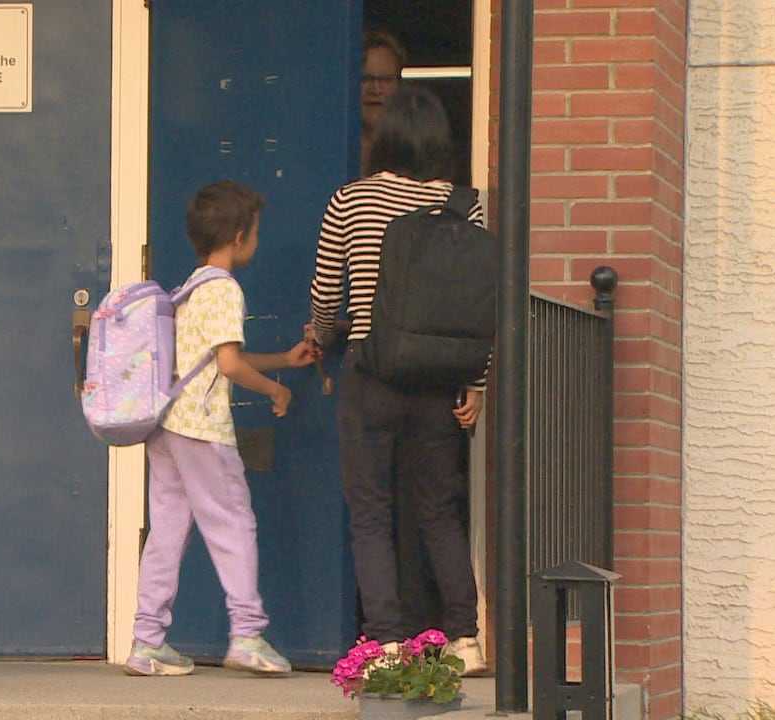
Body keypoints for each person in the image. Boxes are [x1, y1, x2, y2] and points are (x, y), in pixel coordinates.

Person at [308, 85, 489, 675]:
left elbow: (328, 296)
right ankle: (466, 638)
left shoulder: (350, 201)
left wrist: (318, 335)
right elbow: (478, 304)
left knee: (371, 511)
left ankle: (384, 645)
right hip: (439, 378)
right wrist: (477, 382)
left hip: (372, 370)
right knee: (439, 509)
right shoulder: (466, 206)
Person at [124, 180, 320, 677]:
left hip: (167, 428)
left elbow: (215, 359)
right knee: (233, 523)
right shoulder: (225, 288)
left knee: (166, 531)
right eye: (254, 231)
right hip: (203, 429)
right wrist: (276, 391)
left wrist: (282, 362)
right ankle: (247, 634)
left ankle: (147, 642)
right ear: (238, 236)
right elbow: (229, 366)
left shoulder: (190, 287)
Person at [359, 30, 407, 177]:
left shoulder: (415, 152)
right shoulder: (330, 150)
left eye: (386, 80)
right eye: (366, 79)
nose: (376, 89)